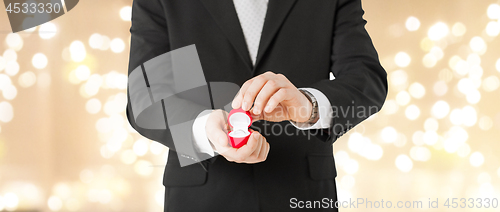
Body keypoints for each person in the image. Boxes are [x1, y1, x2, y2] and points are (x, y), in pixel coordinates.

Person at [126, 0, 387, 211]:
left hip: (302, 194)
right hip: (201, 197)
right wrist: (205, 129)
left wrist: (308, 106)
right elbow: (145, 96)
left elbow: (365, 77)